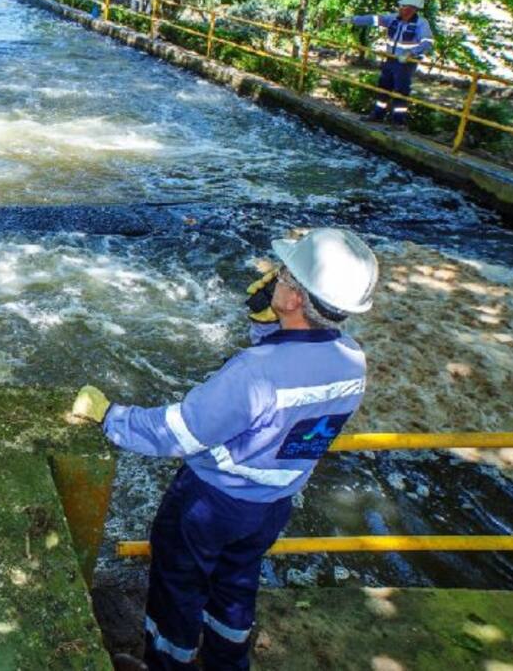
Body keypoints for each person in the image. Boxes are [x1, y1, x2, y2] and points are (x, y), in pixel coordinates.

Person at [72, 228, 378, 670]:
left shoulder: (253, 373)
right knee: (235, 584)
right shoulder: (353, 361)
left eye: (285, 276)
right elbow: (286, 396)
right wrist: (264, 326)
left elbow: (180, 432)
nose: (275, 279)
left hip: (210, 505)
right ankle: (227, 662)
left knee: (177, 587)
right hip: (272, 506)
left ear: (295, 300)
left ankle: (166, 663)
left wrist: (109, 415)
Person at [342, 0, 434, 125]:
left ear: (412, 9)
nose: (400, 9)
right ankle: (378, 115)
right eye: (400, 6)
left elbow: (427, 42)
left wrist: (411, 53)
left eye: (403, 6)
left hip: (405, 63)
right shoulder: (393, 19)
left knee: (400, 91)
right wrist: (353, 19)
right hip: (390, 60)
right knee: (383, 88)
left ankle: (398, 122)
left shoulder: (421, 24)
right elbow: (374, 19)